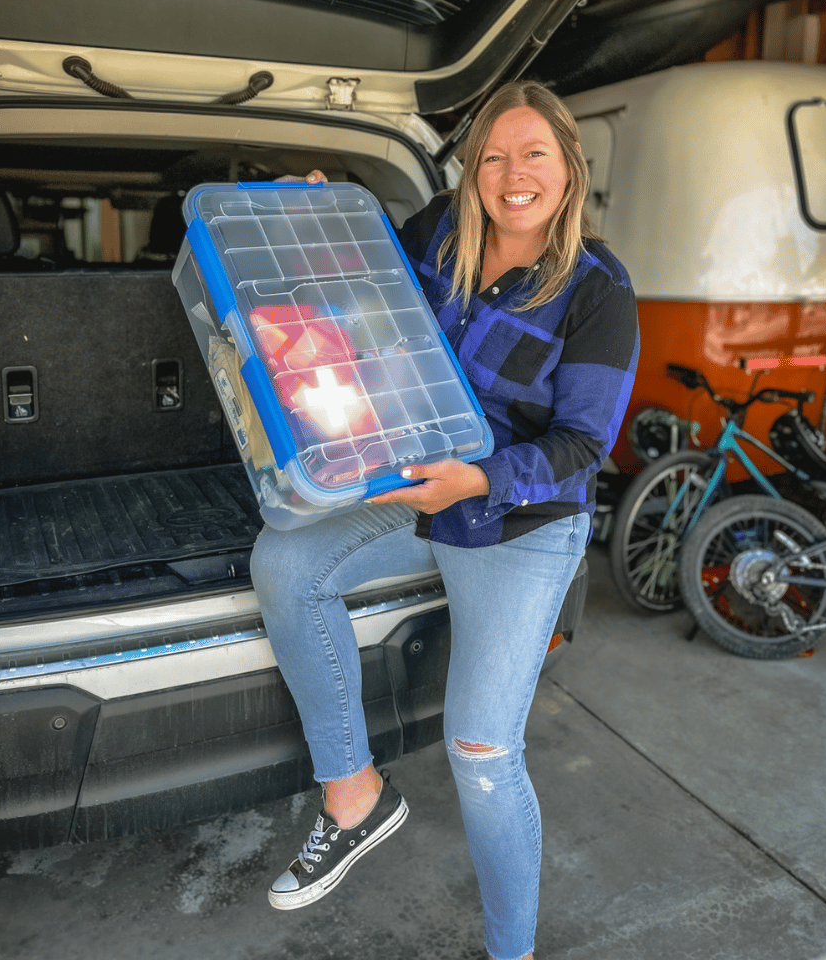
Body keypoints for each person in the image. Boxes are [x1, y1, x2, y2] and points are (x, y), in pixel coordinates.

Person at [250, 81, 639, 960]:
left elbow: (583, 446)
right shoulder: (434, 230)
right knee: (284, 563)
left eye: (535, 153)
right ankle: (355, 797)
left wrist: (478, 479)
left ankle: (512, 952)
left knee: (481, 754)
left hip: (520, 522)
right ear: (472, 170)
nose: (513, 173)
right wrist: (322, 227)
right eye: (494, 155)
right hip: (414, 485)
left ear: (570, 167)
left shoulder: (597, 289)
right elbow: (360, 294)